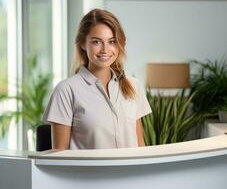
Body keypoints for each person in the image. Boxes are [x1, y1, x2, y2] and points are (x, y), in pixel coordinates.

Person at [43, 8, 152, 150]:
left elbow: (140, 145)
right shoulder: (66, 90)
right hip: (89, 173)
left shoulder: (134, 86)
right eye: (96, 42)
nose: (105, 50)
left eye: (112, 41)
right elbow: (60, 156)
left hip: (131, 172)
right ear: (82, 44)